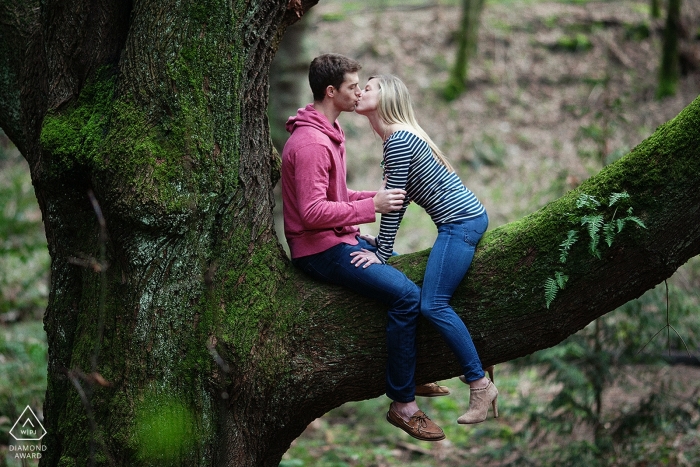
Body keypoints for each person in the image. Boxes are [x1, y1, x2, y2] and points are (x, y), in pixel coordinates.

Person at [281, 54, 446, 441]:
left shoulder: (328, 133)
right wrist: (371, 207)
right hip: (318, 249)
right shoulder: (310, 144)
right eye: (354, 86)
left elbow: (336, 196)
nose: (359, 92)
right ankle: (404, 405)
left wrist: (377, 196)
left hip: (337, 237)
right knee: (406, 296)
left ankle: (415, 374)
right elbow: (311, 212)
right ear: (331, 91)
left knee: (402, 276)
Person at [354, 74, 498, 425]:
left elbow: (396, 203)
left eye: (368, 87)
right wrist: (381, 245)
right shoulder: (397, 139)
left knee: (433, 304)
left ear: (386, 98)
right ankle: (425, 373)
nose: (359, 91)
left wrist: (382, 253)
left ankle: (480, 384)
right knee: (412, 284)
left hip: (461, 224)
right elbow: (394, 202)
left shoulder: (399, 140)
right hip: (459, 222)